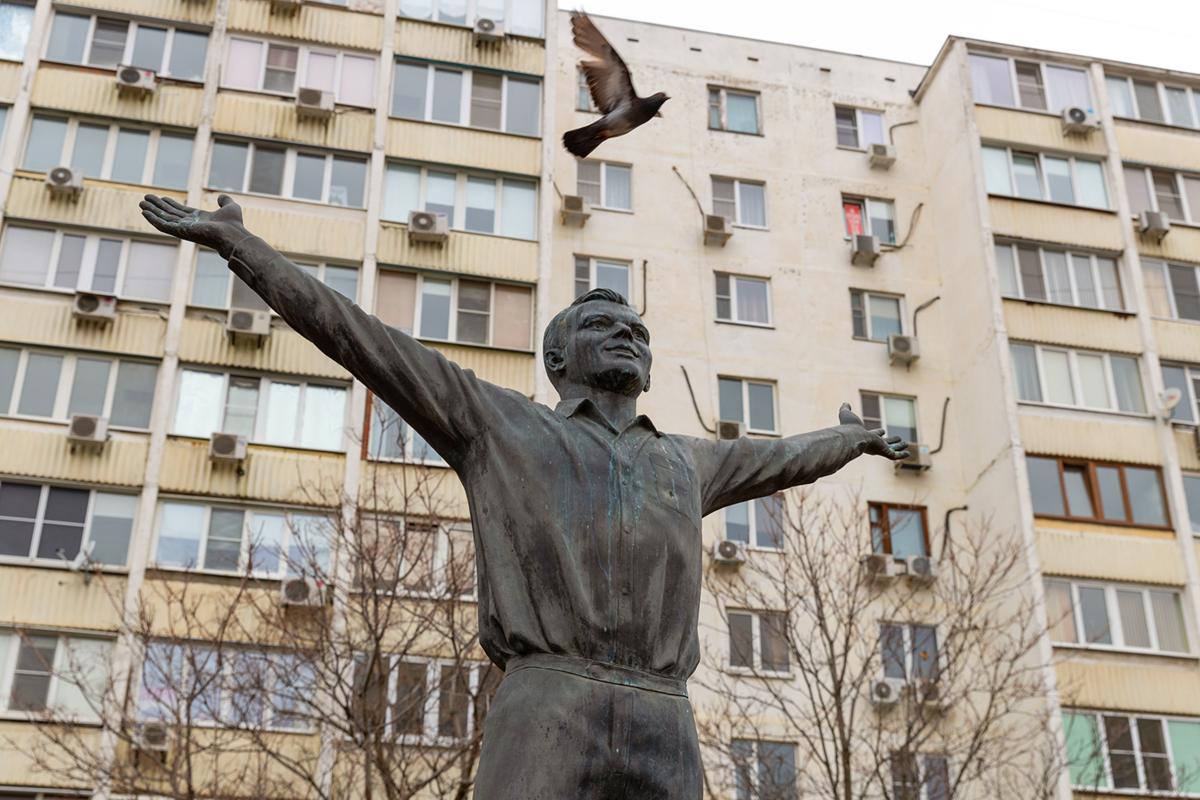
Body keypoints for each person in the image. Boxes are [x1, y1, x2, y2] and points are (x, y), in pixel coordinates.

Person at [140, 193, 909, 799]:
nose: (628, 337)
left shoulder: (686, 460)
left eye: (638, 332)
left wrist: (857, 439)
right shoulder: (497, 425)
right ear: (557, 355)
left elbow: (785, 457)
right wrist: (240, 248)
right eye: (605, 324)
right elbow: (358, 336)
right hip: (549, 701)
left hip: (665, 716)